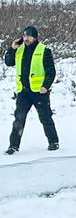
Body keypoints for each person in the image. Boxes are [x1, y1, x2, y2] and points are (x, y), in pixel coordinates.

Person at [4, 26, 60, 154]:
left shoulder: (44, 50)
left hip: (39, 93)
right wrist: (11, 49)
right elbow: (8, 62)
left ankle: (53, 142)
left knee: (45, 118)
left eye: (29, 36)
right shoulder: (19, 50)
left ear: (35, 37)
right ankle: (13, 146)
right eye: (24, 36)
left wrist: (45, 86)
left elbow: (51, 71)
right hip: (23, 92)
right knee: (19, 119)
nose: (26, 38)